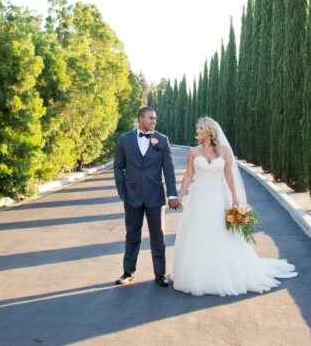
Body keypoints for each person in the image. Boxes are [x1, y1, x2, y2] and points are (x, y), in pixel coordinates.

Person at [170, 116, 297, 296]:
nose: (197, 131)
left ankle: (225, 272)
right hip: (199, 198)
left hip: (219, 197)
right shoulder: (193, 152)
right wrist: (180, 195)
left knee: (222, 234)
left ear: (210, 131)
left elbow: (228, 174)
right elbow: (189, 174)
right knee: (200, 233)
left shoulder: (224, 151)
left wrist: (235, 196)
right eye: (197, 128)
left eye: (200, 128)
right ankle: (201, 274)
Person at [113, 106, 179, 287]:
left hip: (155, 196)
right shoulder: (124, 139)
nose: (154, 121)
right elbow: (118, 166)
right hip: (131, 196)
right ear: (140, 118)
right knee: (132, 235)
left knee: (158, 236)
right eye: (151, 118)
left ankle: (160, 274)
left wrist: (172, 194)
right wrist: (122, 190)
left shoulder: (162, 140)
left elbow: (169, 169)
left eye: (155, 118)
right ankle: (128, 272)